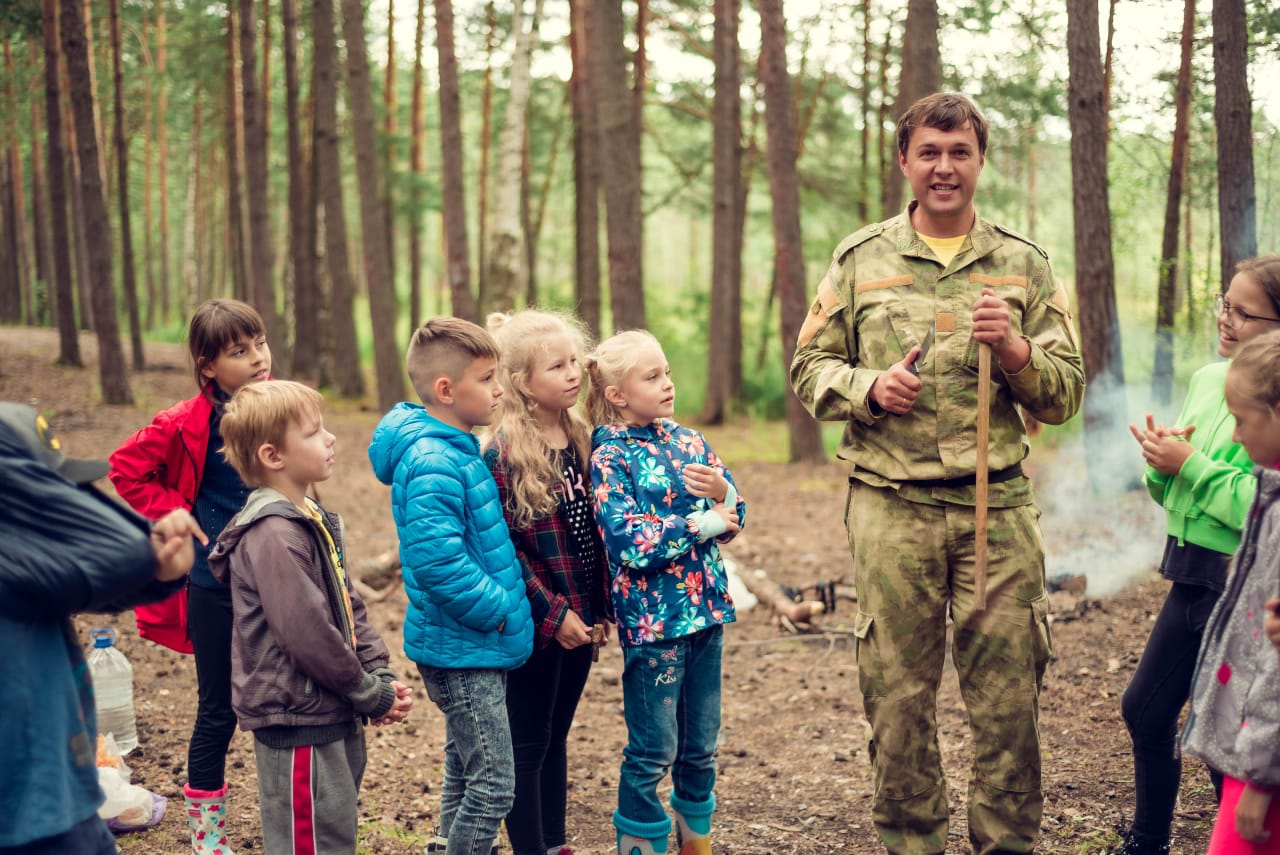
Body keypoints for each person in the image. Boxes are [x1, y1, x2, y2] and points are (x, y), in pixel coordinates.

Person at [789, 91, 1085, 854]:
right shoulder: (861, 260)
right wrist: (870, 388)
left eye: (960, 153)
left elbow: (1065, 392)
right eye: (929, 152)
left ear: (981, 160)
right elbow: (809, 367)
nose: (944, 167)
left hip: (997, 509)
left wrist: (1017, 351)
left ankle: (1005, 845)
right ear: (904, 161)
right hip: (892, 509)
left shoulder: (1024, 264)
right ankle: (913, 843)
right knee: (896, 701)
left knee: (1007, 699)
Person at [208, 380, 413, 853]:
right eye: (314, 432)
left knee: (333, 832)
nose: (331, 439)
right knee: (309, 842)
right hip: (298, 719)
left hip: (330, 705)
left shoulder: (308, 515)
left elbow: (345, 601)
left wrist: (376, 669)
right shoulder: (273, 534)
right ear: (272, 456)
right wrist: (367, 692)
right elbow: (306, 633)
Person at [1118, 256, 1280, 854]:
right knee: (1146, 710)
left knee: (1223, 730)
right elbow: (1179, 491)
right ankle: (1149, 840)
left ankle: (1236, 839)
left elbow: (1258, 505)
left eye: (1245, 312)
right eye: (1225, 304)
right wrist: (1162, 465)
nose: (1227, 320)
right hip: (1190, 572)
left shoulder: (1276, 403)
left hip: (1241, 584)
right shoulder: (1211, 380)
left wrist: (1192, 467)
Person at [0, 402, 206, 855]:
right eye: (44, 493)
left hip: (67, 796)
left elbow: (107, 576)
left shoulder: (27, 573)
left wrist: (163, 565)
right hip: (30, 817)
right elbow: (123, 551)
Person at [109, 298, 271, 854]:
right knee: (218, 709)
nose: (257, 358)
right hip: (215, 587)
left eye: (260, 344)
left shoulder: (278, 407)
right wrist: (172, 508)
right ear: (207, 366)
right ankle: (207, 838)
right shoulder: (185, 423)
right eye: (238, 351)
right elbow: (124, 468)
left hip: (280, 581)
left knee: (292, 699)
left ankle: (297, 821)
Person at [368, 317, 534, 855]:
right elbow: (438, 563)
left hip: (467, 644)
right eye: (487, 379)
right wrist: (502, 610)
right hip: (464, 647)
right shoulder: (435, 459)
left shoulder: (455, 447)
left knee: (465, 769)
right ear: (446, 390)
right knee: (493, 786)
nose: (499, 389)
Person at [585, 329, 746, 855]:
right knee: (653, 750)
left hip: (706, 616)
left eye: (668, 372)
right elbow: (629, 542)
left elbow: (733, 514)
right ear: (618, 395)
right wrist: (703, 523)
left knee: (700, 747)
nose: (668, 384)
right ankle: (642, 844)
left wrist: (725, 496)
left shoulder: (689, 440)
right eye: (652, 377)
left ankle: (695, 844)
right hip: (654, 626)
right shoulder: (610, 459)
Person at [482, 310, 612, 855]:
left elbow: (602, 533)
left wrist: (602, 609)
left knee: (557, 736)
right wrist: (554, 615)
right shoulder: (504, 453)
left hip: (585, 616)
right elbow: (504, 550)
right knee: (528, 740)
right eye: (555, 366)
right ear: (520, 383)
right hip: (538, 623)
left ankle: (554, 844)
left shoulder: (585, 437)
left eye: (573, 362)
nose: (571, 373)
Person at [1181, 329, 1280, 855]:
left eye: (1242, 421)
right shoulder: (1272, 493)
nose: (1236, 437)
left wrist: (1260, 779)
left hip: (1265, 764)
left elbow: (1277, 664)